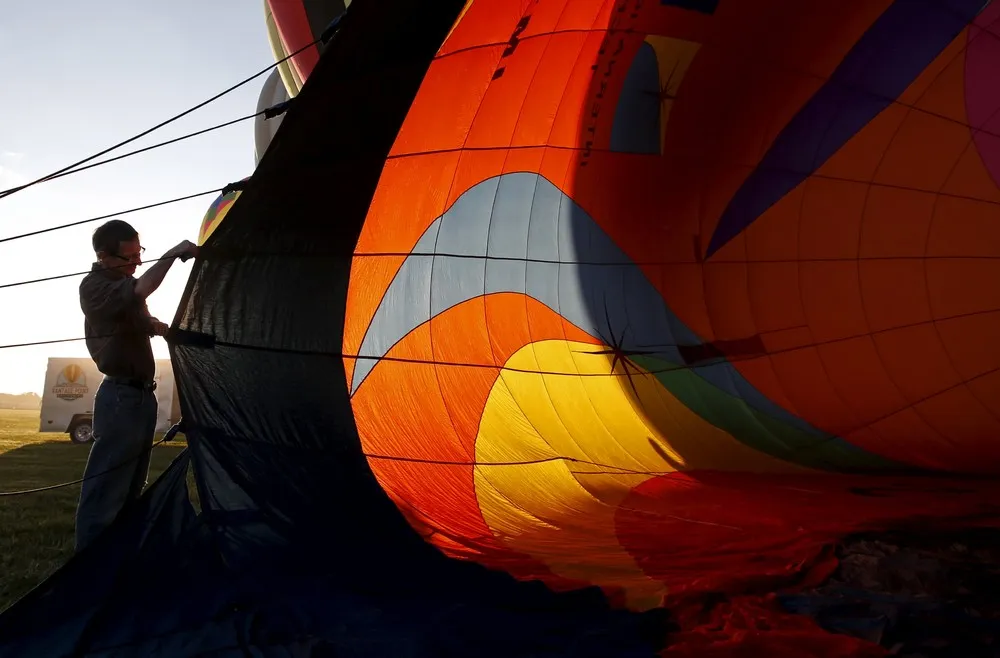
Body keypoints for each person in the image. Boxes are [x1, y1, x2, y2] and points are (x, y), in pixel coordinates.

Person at [74, 219, 198, 553]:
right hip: (120, 397)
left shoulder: (121, 284)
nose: (137, 262)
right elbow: (141, 289)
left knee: (132, 483)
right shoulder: (96, 287)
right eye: (129, 257)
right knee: (107, 485)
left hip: (141, 395)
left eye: (139, 253)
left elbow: (144, 319)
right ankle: (91, 562)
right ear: (104, 256)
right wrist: (172, 255)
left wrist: (167, 328)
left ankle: (119, 553)